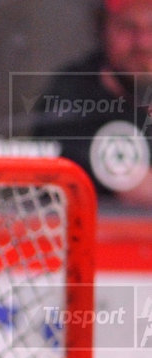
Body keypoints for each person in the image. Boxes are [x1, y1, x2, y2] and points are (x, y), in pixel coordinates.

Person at [31, 0, 152, 205]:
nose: (143, 42)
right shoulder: (71, 91)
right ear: (103, 29)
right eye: (127, 27)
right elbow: (56, 154)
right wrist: (125, 177)